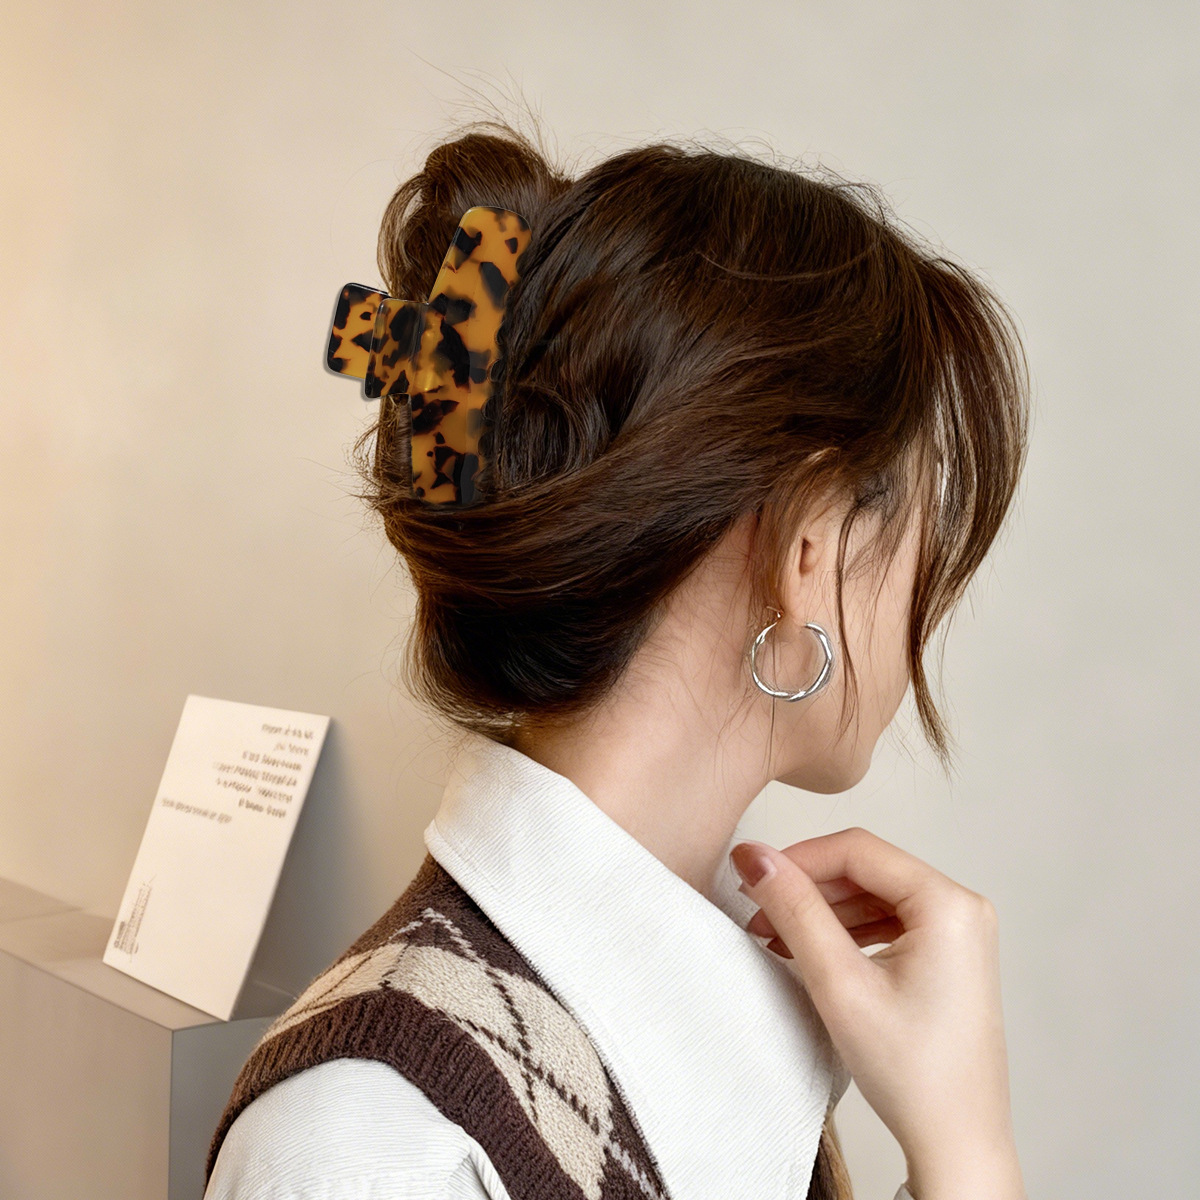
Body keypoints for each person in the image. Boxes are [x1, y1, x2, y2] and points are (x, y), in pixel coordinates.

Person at [204, 114, 1030, 1200]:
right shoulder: (377, 1148)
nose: (929, 594)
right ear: (811, 546)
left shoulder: (708, 1007)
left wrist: (959, 1153)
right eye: (921, 524)